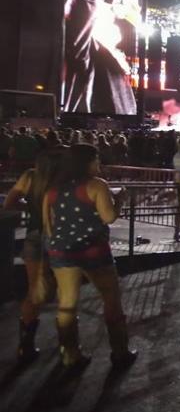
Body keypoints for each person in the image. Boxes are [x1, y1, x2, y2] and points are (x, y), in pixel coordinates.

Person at [42, 143, 137, 369]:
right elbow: (109, 217)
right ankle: (120, 351)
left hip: (62, 250)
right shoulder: (96, 185)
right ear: (86, 162)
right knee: (111, 299)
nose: (99, 164)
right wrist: (120, 200)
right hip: (93, 251)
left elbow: (48, 226)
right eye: (96, 160)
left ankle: (70, 354)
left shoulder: (53, 189)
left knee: (67, 303)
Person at [3, 147, 61, 364]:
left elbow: (9, 202)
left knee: (34, 289)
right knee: (66, 287)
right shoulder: (64, 179)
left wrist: (30, 209)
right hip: (60, 238)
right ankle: (67, 341)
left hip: (35, 234)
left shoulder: (29, 176)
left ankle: (25, 345)